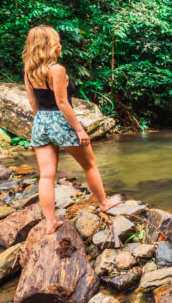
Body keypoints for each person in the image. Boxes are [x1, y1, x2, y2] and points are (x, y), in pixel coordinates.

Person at [23, 25, 120, 233]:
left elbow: (33, 102)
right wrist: (79, 129)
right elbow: (62, 103)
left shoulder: (29, 70)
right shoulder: (56, 70)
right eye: (57, 40)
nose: (60, 44)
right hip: (61, 121)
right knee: (90, 165)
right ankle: (104, 203)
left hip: (41, 121)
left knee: (46, 175)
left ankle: (50, 222)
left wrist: (42, 123)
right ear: (51, 44)